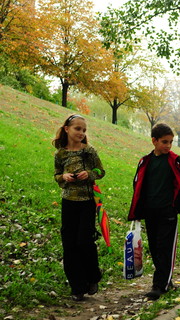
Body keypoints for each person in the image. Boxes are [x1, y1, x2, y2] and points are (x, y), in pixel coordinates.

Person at [128, 123, 180, 300]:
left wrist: (175, 207)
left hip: (168, 212)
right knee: (156, 248)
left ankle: (160, 285)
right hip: (151, 211)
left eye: (171, 142)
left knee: (165, 248)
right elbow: (138, 184)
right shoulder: (145, 161)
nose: (168, 146)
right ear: (154, 141)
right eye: (164, 142)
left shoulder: (174, 160)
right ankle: (165, 280)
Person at [52, 114, 105, 301]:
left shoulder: (89, 151)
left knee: (84, 241)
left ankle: (93, 277)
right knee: (69, 245)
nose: (81, 133)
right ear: (67, 129)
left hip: (87, 203)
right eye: (77, 129)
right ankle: (77, 287)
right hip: (68, 202)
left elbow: (101, 172)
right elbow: (57, 174)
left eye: (84, 130)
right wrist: (63, 177)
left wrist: (88, 174)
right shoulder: (60, 153)